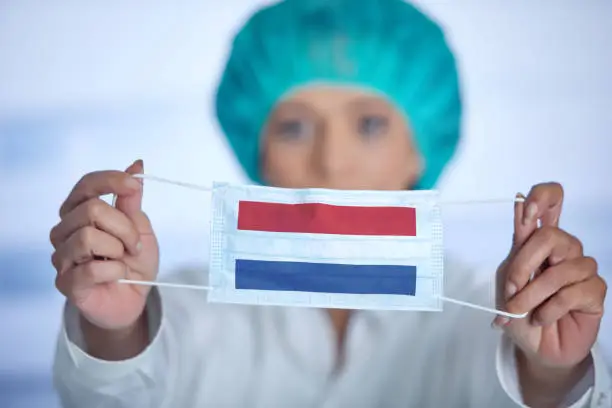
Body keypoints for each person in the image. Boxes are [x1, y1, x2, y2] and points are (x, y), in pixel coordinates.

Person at [50, 0, 610, 407]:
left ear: (422, 148)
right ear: (257, 151)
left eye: (369, 124)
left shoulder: (482, 313)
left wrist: (548, 373)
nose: (331, 161)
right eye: (294, 127)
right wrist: (116, 334)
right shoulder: (187, 310)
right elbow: (115, 395)